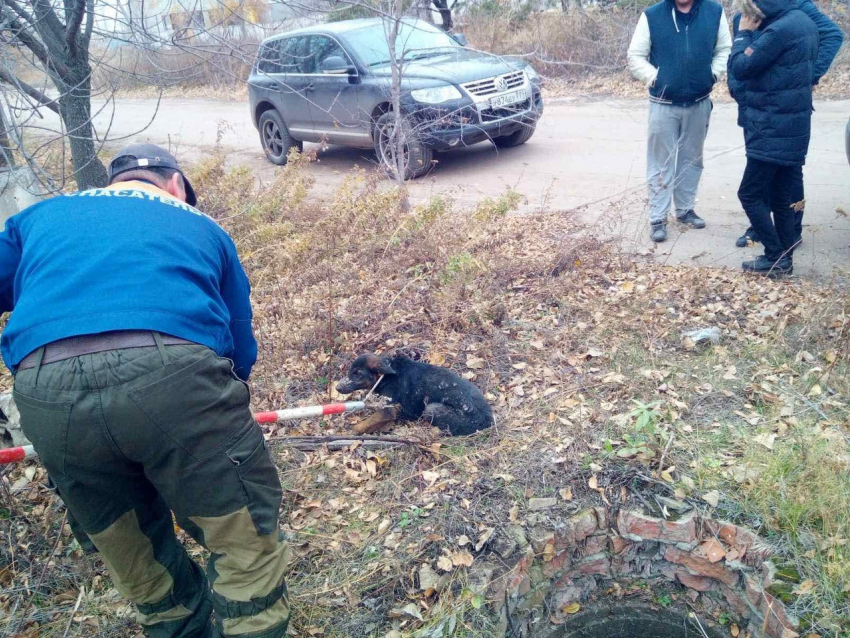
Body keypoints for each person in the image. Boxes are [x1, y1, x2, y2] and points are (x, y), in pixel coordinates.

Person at [0, 144, 290, 638]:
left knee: (133, 549)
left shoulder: (39, 217)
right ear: (175, 184)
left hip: (44, 389)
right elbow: (239, 346)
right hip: (175, 375)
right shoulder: (203, 227)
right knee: (242, 540)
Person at [731, 0, 844, 248]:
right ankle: (760, 227)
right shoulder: (743, 11)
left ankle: (791, 231)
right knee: (759, 167)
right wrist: (738, 91)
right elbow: (739, 56)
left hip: (781, 107)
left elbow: (833, 35)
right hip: (753, 105)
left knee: (786, 174)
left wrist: (806, 76)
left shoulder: (796, 7)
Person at [627, 0, 732, 243]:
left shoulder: (714, 12)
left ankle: (684, 210)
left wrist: (713, 74)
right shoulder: (652, 15)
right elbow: (635, 56)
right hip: (663, 104)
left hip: (699, 101)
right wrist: (656, 78)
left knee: (692, 159)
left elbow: (724, 49)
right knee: (660, 163)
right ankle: (657, 217)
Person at [729, 0, 818, 275]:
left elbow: (741, 66)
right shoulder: (803, 21)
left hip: (771, 128)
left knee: (749, 193)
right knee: (781, 196)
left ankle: (775, 255)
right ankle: (784, 261)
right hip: (793, 126)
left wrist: (744, 34)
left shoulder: (778, 31)